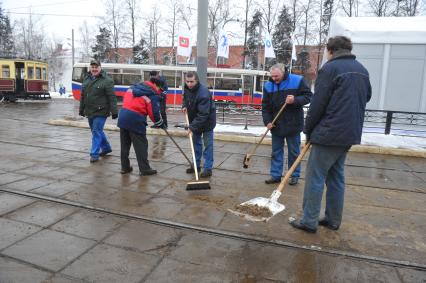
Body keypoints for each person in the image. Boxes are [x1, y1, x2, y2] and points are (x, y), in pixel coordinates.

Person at [290, 36, 372, 233]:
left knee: (315, 178)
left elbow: (318, 104)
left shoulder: (330, 69)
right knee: (336, 177)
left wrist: (308, 130)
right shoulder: (362, 70)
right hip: (349, 134)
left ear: (330, 50)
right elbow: (367, 96)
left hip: (328, 134)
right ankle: (333, 219)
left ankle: (309, 221)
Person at [262, 63, 312, 185]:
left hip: (293, 124)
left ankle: (294, 175)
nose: (274, 79)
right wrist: (267, 121)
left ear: (283, 72)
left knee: (294, 152)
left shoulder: (297, 80)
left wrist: (295, 100)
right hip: (276, 124)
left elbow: (308, 96)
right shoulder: (268, 86)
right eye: (272, 76)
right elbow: (265, 107)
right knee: (276, 152)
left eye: (276, 76)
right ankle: (275, 175)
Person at [117, 77, 165, 176]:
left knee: (125, 145)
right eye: (161, 89)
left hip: (123, 116)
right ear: (156, 85)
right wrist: (160, 123)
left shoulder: (133, 87)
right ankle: (145, 169)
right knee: (141, 146)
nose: (160, 91)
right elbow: (154, 113)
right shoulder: (152, 94)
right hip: (136, 119)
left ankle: (124, 167)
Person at [79, 59, 118, 163]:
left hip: (101, 111)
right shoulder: (86, 78)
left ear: (100, 68)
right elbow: (83, 95)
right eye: (92, 67)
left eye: (96, 67)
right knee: (96, 131)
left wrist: (114, 111)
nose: (94, 69)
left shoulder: (107, 80)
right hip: (90, 110)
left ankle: (94, 154)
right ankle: (106, 148)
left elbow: (112, 97)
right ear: (90, 68)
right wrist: (81, 109)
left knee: (96, 131)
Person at [183, 71, 216, 178]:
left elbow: (203, 114)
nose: (189, 84)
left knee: (208, 146)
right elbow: (185, 98)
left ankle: (208, 169)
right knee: (196, 145)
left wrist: (192, 127)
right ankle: (196, 166)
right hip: (195, 121)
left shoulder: (203, 93)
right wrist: (184, 105)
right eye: (187, 81)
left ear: (196, 80)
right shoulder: (187, 88)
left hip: (207, 123)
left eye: (191, 82)